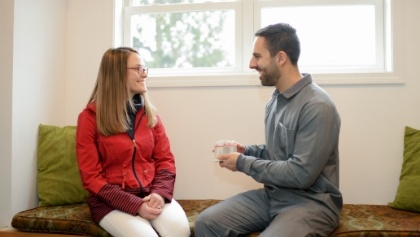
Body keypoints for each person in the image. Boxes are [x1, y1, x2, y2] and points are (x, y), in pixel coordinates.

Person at [195, 23, 342, 236]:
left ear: (280, 58)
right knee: (207, 222)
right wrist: (246, 151)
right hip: (273, 196)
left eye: (257, 56)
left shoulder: (317, 106)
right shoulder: (275, 99)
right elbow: (278, 154)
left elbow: (301, 174)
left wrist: (243, 163)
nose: (251, 64)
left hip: (312, 204)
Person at [76, 47, 190, 237]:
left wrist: (159, 194)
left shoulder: (150, 115)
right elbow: (91, 178)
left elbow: (166, 162)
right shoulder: (89, 118)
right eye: (137, 69)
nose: (143, 74)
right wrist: (135, 205)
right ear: (117, 74)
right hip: (109, 203)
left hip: (152, 194)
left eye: (144, 68)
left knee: (179, 231)